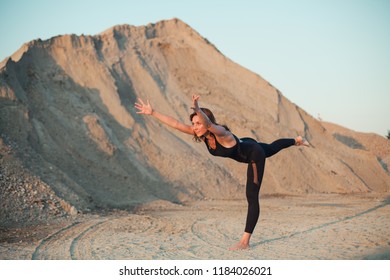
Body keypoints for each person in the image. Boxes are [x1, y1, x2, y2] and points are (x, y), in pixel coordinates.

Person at [134, 95, 309, 250]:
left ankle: (244, 242)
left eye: (198, 123)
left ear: (206, 122)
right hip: (246, 144)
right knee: (270, 147)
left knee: (252, 194)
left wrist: (197, 108)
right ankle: (297, 140)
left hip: (253, 154)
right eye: (193, 123)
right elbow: (176, 124)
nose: (194, 127)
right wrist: (153, 112)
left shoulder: (221, 133)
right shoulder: (202, 134)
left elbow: (209, 124)